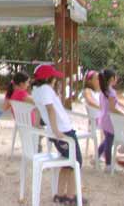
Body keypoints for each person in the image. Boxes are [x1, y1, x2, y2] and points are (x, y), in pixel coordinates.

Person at [31, 64, 86, 205]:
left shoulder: (36, 90)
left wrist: (38, 124)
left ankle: (60, 195)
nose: (55, 80)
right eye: (54, 77)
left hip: (59, 130)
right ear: (49, 78)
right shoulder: (46, 89)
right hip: (63, 131)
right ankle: (71, 196)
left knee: (68, 162)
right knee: (76, 163)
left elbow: (37, 109)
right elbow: (50, 109)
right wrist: (56, 130)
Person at [98, 68, 124, 172]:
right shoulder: (110, 92)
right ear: (112, 78)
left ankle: (97, 156)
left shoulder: (105, 91)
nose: (117, 78)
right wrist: (123, 114)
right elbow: (112, 108)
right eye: (116, 77)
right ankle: (108, 165)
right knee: (109, 142)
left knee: (107, 140)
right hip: (109, 120)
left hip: (104, 118)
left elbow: (116, 102)